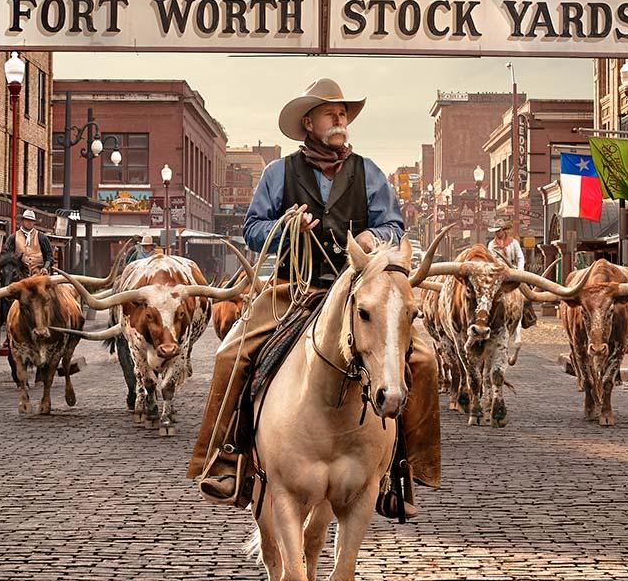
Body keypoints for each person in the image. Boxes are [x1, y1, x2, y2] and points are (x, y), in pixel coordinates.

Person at [188, 77, 440, 506]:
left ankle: (403, 471)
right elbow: (252, 228)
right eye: (330, 112)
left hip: (362, 291)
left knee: (424, 358)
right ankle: (228, 458)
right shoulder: (277, 172)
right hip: (294, 287)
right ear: (308, 121)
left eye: (343, 112)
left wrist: (369, 240)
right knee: (230, 354)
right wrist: (286, 228)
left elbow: (395, 227)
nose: (340, 118)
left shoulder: (370, 172)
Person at [3, 209, 53, 277]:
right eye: (27, 220)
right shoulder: (13, 237)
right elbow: (7, 254)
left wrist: (45, 268)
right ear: (23, 221)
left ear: (34, 222)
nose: (29, 222)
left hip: (39, 271)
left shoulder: (42, 237)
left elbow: (49, 255)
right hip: (19, 270)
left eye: (32, 221)